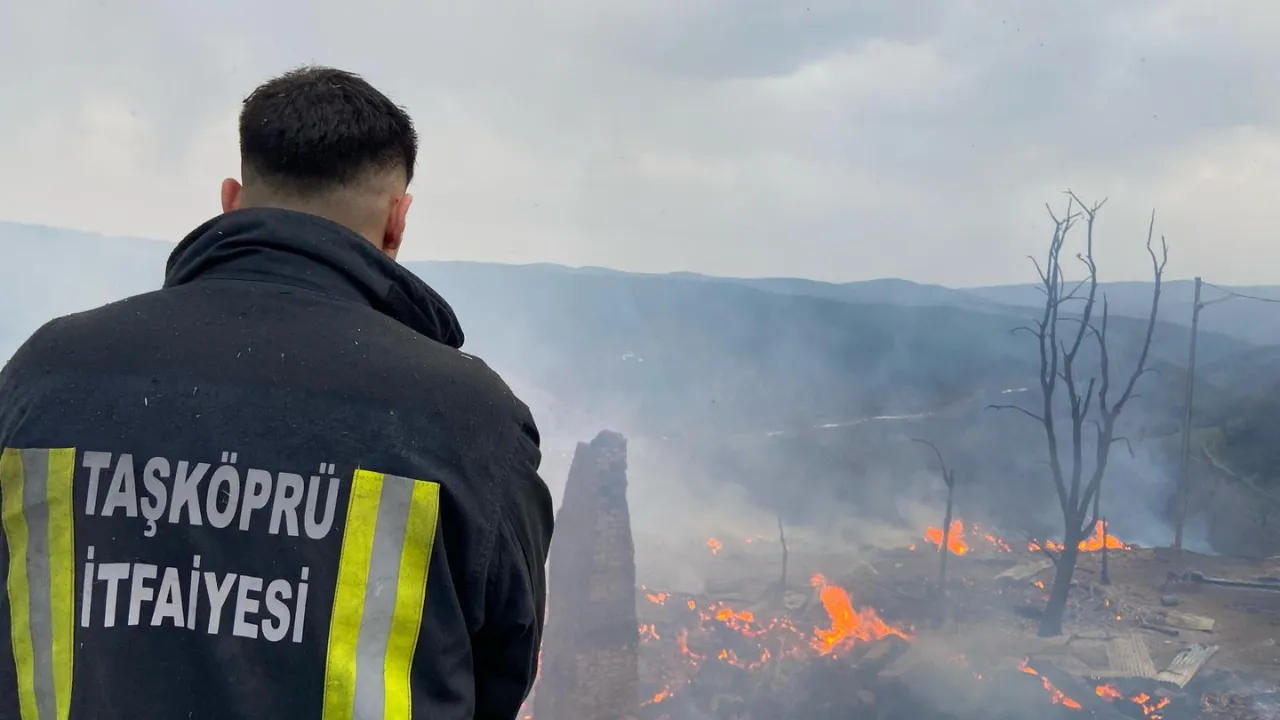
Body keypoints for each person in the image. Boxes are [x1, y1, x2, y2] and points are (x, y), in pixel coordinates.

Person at [0, 66, 553, 719]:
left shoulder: (47, 373)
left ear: (231, 199)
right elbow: (499, 671)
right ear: (397, 221)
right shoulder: (469, 420)